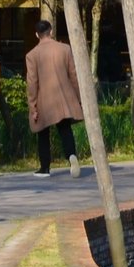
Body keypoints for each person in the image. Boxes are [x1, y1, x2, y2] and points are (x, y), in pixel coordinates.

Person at [25, 19, 83, 178]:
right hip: (64, 97)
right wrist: (78, 98)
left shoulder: (32, 55)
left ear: (36, 34)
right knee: (65, 129)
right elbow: (73, 75)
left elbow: (32, 82)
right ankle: (72, 156)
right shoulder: (65, 49)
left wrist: (33, 106)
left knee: (42, 132)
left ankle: (45, 167)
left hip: (45, 99)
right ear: (51, 31)